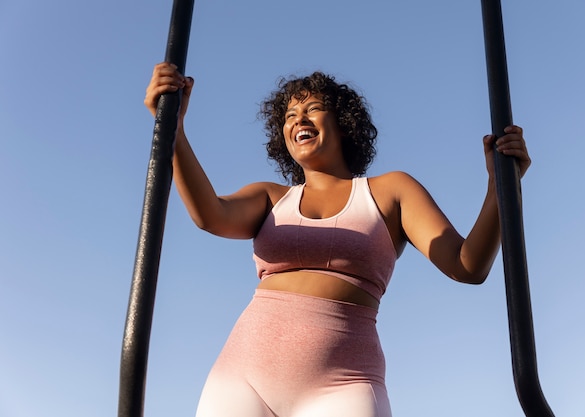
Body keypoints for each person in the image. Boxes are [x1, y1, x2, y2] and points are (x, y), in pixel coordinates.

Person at [144, 62, 531, 417]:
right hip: (241, 378)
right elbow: (209, 215)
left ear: (343, 123)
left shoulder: (391, 191)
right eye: (290, 115)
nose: (299, 118)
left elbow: (467, 265)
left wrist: (501, 188)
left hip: (343, 384)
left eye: (312, 108)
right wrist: (173, 131)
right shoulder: (271, 197)